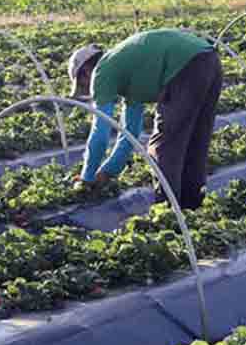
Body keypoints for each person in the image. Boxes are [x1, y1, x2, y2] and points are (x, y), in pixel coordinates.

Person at [68, 28, 222, 210]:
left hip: (185, 67)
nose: (87, 88)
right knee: (195, 140)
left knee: (164, 146)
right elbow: (130, 134)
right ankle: (191, 207)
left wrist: (87, 177)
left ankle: (168, 211)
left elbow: (100, 132)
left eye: (82, 83)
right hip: (210, 59)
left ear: (86, 72)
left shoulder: (101, 72)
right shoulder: (126, 69)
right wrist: (108, 172)